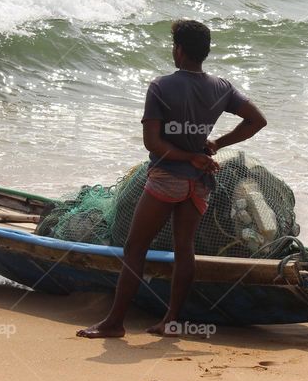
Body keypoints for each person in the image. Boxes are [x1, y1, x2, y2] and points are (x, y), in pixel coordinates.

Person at [77, 20, 267, 338]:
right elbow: (257, 120)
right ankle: (172, 319)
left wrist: (187, 156)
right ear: (203, 52)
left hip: (168, 179)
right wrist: (215, 145)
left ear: (178, 50)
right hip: (200, 183)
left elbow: (154, 143)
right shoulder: (222, 87)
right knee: (184, 248)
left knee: (135, 247)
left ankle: (114, 323)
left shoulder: (161, 87)